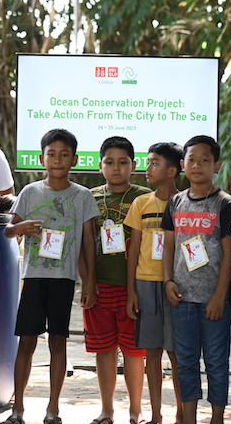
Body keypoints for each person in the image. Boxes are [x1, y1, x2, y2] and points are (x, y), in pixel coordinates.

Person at [3, 129, 99, 424]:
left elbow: (87, 244)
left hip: (64, 280)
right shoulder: (30, 192)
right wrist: (21, 228)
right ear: (42, 157)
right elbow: (8, 230)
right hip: (33, 277)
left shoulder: (82, 196)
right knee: (27, 342)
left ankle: (53, 409)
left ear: (75, 159)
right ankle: (17, 408)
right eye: (51, 154)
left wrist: (90, 283)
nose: (57, 160)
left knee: (58, 342)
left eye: (64, 154)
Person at [162, 135, 231, 424]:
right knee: (186, 363)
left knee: (217, 363)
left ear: (216, 165)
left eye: (205, 160)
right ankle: (189, 418)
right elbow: (169, 246)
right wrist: (168, 281)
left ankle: (217, 418)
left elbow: (229, 253)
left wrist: (220, 295)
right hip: (181, 298)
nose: (197, 165)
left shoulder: (224, 203)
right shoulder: (176, 202)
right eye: (191, 159)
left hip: (214, 301)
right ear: (182, 164)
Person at [85, 136, 150, 424]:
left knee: (135, 351)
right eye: (109, 162)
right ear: (100, 166)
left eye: (123, 162)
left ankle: (136, 410)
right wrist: (86, 281)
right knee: (103, 349)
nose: (116, 168)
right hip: (99, 286)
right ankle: (107, 410)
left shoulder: (145, 197)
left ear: (133, 166)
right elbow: (83, 242)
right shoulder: (89, 197)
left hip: (134, 288)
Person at [124, 143, 184, 424]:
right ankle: (156, 414)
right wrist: (130, 291)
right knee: (152, 354)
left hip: (176, 286)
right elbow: (133, 248)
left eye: (154, 163)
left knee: (177, 353)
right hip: (145, 283)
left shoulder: (185, 202)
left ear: (172, 170)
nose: (147, 168)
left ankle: (184, 413)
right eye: (147, 162)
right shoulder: (141, 203)